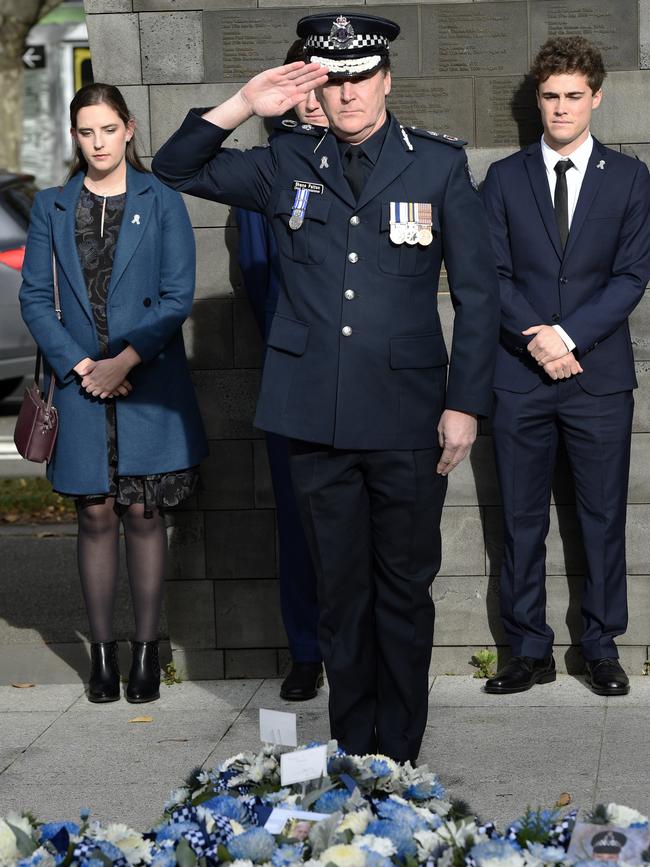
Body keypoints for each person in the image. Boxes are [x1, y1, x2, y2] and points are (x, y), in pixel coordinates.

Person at [152, 12, 499, 762]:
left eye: (360, 78)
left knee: (403, 596)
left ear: (386, 80)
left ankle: (398, 759)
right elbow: (174, 166)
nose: (347, 94)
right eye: (333, 80)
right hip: (313, 418)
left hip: (409, 420)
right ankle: (353, 749)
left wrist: (466, 402)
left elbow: (479, 294)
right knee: (342, 598)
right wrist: (247, 100)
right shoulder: (285, 163)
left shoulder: (437, 166)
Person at [20, 83, 208, 704]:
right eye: (85, 132)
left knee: (143, 514)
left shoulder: (162, 200)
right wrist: (83, 366)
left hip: (148, 380)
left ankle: (146, 654)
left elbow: (178, 297)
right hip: (79, 385)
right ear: (75, 137)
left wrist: (123, 359)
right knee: (94, 514)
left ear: (128, 128)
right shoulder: (51, 205)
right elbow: (35, 300)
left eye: (107, 129)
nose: (97, 142)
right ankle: (101, 656)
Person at [482, 37, 650, 696]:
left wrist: (569, 336)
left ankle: (601, 645)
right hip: (520, 377)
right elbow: (490, 274)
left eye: (572, 96)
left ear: (596, 98)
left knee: (602, 515)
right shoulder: (503, 178)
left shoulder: (632, 179)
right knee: (521, 517)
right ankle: (528, 648)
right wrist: (539, 342)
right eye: (550, 96)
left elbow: (632, 274)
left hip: (599, 378)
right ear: (538, 99)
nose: (560, 108)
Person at [236, 38, 327, 702]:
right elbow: (255, 279)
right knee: (298, 521)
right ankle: (306, 649)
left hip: (371, 379)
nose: (319, 98)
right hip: (293, 375)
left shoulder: (392, 162)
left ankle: (364, 646)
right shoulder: (267, 169)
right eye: (306, 85)